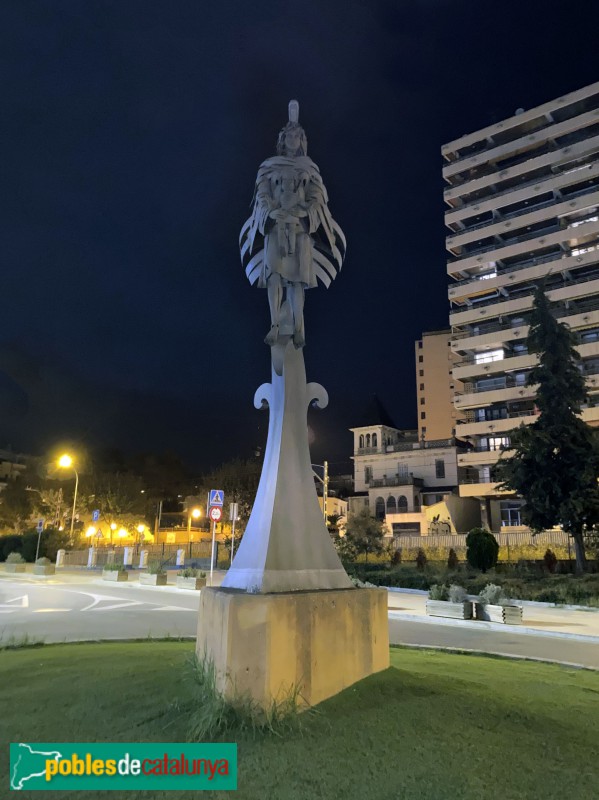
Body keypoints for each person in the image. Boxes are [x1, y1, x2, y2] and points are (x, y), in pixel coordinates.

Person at [240, 100, 346, 347]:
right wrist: (271, 210)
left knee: (297, 279)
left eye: (297, 136)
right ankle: (274, 324)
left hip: (299, 228)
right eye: (289, 135)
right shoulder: (269, 166)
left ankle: (299, 327)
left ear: (302, 140)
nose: (293, 139)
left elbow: (317, 195)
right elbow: (262, 193)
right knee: (274, 276)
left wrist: (306, 210)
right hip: (276, 227)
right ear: (282, 138)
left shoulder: (309, 167)